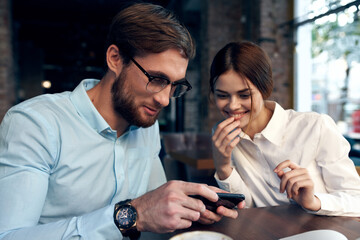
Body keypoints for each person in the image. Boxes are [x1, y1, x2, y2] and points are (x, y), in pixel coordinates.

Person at [0, 3, 244, 240]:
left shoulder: (146, 122)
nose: (164, 99)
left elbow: (154, 202)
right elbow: (9, 235)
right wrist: (130, 215)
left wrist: (188, 208)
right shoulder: (35, 124)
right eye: (156, 78)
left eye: (174, 85)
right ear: (115, 58)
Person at [209, 41, 360, 217]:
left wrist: (314, 201)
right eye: (222, 95)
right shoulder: (223, 136)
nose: (233, 106)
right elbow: (246, 206)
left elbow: (356, 199)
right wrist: (223, 166)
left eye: (244, 95)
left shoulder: (315, 126)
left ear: (265, 89)